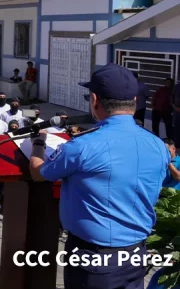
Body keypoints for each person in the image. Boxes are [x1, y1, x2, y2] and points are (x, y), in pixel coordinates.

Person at [30, 63, 170, 289]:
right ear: (134, 100)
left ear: (94, 100)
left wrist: (38, 143)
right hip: (136, 254)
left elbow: (38, 173)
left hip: (93, 257)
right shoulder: (158, 145)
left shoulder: (83, 146)